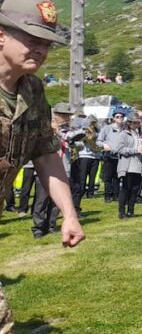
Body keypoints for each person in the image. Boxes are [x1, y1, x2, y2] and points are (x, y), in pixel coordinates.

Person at [0, 0, 87, 334]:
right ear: (0, 34)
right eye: (29, 37)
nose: (39, 48)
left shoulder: (32, 93)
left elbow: (47, 156)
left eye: (47, 42)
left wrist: (69, 213)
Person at [31, 102, 78, 238]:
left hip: (64, 169)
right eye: (64, 115)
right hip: (45, 170)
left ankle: (51, 225)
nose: (67, 118)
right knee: (41, 201)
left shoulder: (71, 131)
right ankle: (38, 227)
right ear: (56, 115)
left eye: (68, 116)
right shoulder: (46, 129)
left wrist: (69, 137)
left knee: (58, 202)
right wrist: (53, 132)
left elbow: (79, 145)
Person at [113, 114, 142, 219]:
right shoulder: (124, 134)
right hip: (128, 164)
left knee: (135, 189)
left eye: (138, 122)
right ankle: (121, 212)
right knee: (126, 188)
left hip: (139, 164)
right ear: (129, 123)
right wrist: (135, 150)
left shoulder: (141, 134)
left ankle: (131, 211)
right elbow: (119, 149)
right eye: (134, 122)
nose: (137, 124)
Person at [97, 111, 124, 202]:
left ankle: (116, 195)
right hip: (109, 155)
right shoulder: (107, 128)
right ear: (113, 118)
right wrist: (104, 145)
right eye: (117, 116)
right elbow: (99, 141)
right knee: (108, 177)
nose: (119, 118)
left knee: (117, 177)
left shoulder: (124, 129)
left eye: (121, 117)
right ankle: (107, 196)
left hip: (120, 156)